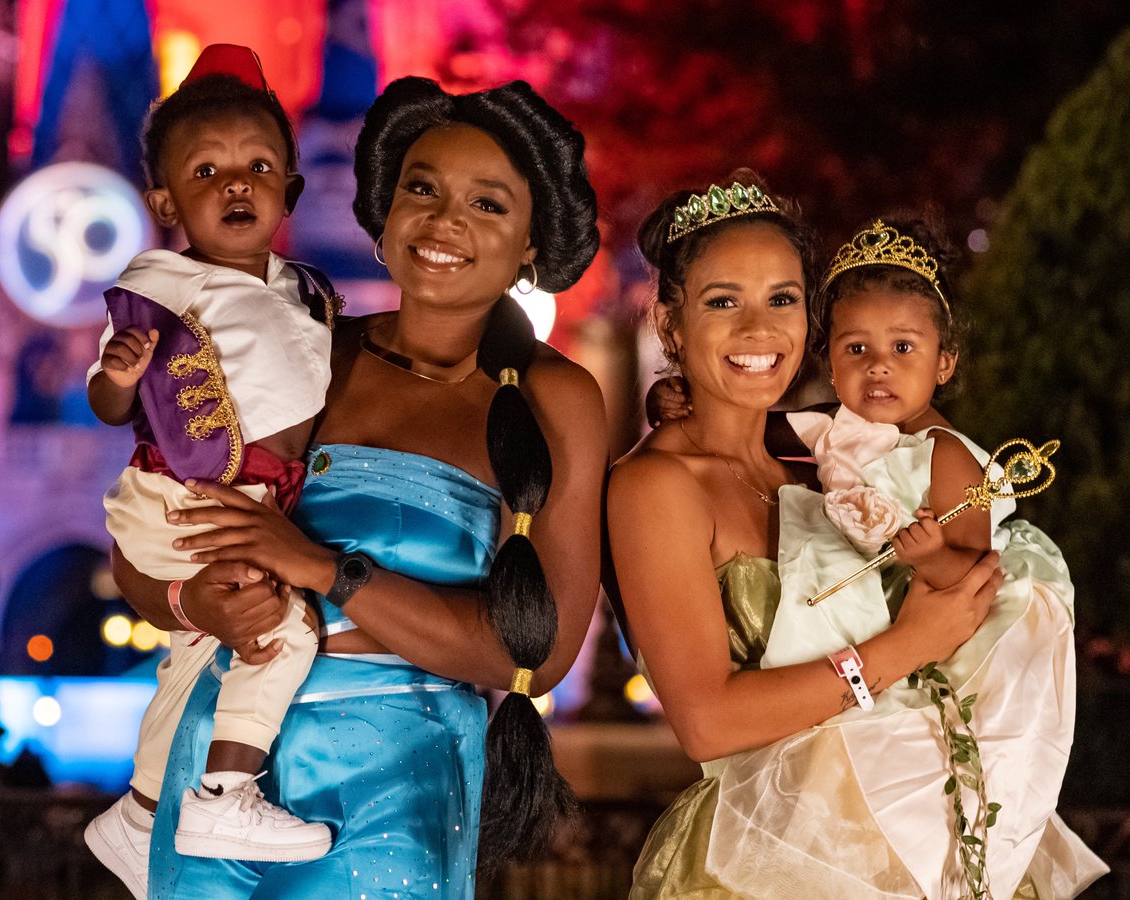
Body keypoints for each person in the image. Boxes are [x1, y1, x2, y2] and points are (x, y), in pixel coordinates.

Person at [110, 75, 607, 898]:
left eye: (487, 204)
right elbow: (147, 539)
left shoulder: (554, 398)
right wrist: (195, 606)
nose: (445, 220)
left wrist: (321, 569)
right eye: (422, 188)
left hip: (392, 782)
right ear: (383, 211)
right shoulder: (307, 354)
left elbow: (539, 657)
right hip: (217, 778)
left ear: (531, 242)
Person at [606, 172, 1011, 899]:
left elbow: (938, 441)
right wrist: (905, 648)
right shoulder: (656, 487)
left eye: (782, 300)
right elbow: (705, 722)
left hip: (906, 836)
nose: (759, 330)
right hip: (765, 858)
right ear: (670, 324)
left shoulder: (821, 460)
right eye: (723, 301)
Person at [84, 45, 341, 896]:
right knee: (284, 629)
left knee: (199, 652)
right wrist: (117, 377)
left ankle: (141, 814)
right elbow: (114, 401)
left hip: (249, 495)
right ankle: (224, 791)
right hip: (185, 495)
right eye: (207, 170)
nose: (236, 185)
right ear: (165, 201)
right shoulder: (160, 282)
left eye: (258, 166)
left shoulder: (305, 290)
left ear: (290, 189)